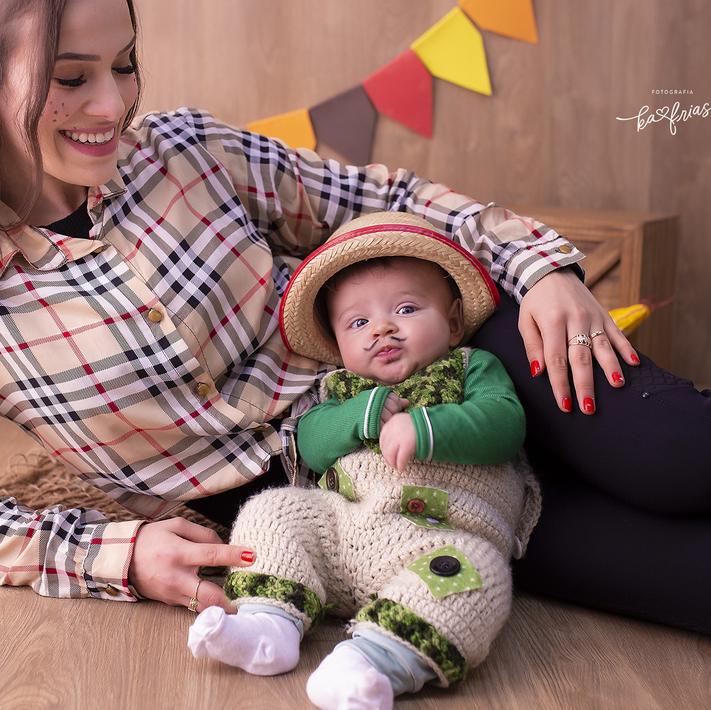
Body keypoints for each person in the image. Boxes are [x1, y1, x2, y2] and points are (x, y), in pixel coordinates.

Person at [0, 0, 711, 655]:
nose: (115, 102)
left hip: (447, 355)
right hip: (361, 505)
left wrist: (541, 265)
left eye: (125, 65)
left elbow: (381, 197)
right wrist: (115, 554)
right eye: (72, 77)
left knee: (679, 455)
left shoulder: (184, 152)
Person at [187, 212, 540, 710]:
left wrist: (428, 427)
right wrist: (358, 416)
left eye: (406, 308)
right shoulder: (341, 390)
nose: (382, 328)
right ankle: (269, 623)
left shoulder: (470, 368)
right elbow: (311, 444)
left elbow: (504, 425)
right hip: (344, 534)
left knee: (477, 576)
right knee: (273, 510)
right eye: (358, 323)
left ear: (454, 321)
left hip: (439, 540)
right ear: (338, 344)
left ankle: (374, 660)